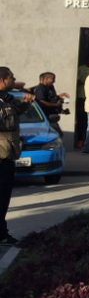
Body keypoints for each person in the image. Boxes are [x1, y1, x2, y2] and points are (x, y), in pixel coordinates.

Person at [0, 68, 34, 244]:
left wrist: (26, 104)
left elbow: (13, 115)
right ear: (2, 80)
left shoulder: (8, 99)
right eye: (11, 77)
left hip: (8, 156)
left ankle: (1, 233)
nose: (14, 80)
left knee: (4, 197)